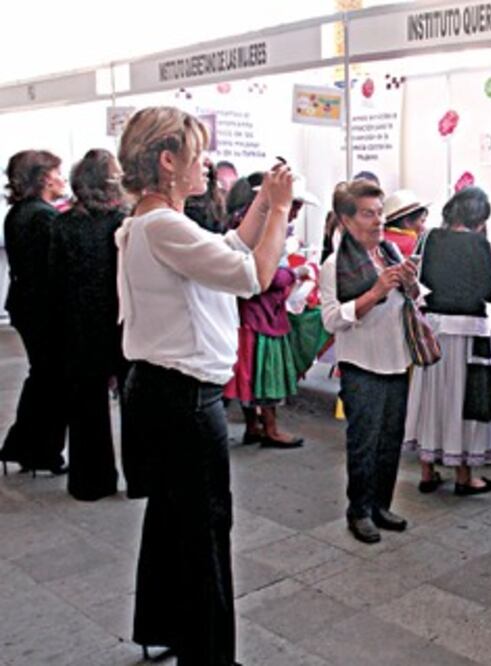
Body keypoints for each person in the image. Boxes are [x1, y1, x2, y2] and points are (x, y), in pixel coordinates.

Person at [115, 106, 293, 665]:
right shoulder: (163, 225)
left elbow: (232, 251)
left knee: (172, 522)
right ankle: (209, 656)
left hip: (164, 392)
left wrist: (263, 201)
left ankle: (165, 626)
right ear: (168, 162)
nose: (207, 165)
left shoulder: (153, 223)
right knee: (205, 530)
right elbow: (252, 276)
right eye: (198, 154)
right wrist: (284, 209)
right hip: (185, 400)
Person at [319, 179, 418, 544]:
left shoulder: (390, 251)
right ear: (345, 220)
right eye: (366, 214)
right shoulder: (335, 265)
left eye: (379, 213)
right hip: (361, 364)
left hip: (396, 359)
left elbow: (414, 302)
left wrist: (410, 283)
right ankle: (358, 510)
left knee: (391, 439)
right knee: (364, 441)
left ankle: (381, 505)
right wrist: (375, 291)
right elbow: (330, 319)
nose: (377, 221)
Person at [404, 186, 491, 495]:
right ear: (480, 217)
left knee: (430, 397)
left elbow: (426, 281)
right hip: (469, 330)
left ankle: (427, 470)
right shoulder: (480, 245)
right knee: (464, 400)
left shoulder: (431, 237)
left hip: (433, 327)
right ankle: (464, 476)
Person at [48, 149, 132, 500]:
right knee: (134, 403)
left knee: (85, 407)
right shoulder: (124, 224)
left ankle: (90, 481)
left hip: (80, 326)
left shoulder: (63, 224)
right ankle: (141, 477)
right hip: (123, 322)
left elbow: (55, 280)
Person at [224, 173, 312, 449]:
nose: (296, 211)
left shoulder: (248, 226)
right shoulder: (264, 230)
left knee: (251, 373)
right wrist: (293, 275)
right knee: (265, 373)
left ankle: (254, 426)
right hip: (261, 314)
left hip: (255, 313)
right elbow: (266, 275)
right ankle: (270, 428)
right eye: (294, 204)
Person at [0, 149, 69, 475]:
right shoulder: (44, 217)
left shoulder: (19, 213)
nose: (61, 178)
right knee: (52, 379)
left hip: (27, 306)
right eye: (56, 172)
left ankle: (24, 446)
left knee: (42, 376)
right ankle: (40, 451)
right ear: (43, 177)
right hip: (45, 310)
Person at [382, 189, 429, 257]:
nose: (424, 228)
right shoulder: (413, 244)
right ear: (407, 222)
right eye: (422, 221)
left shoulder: (378, 239)